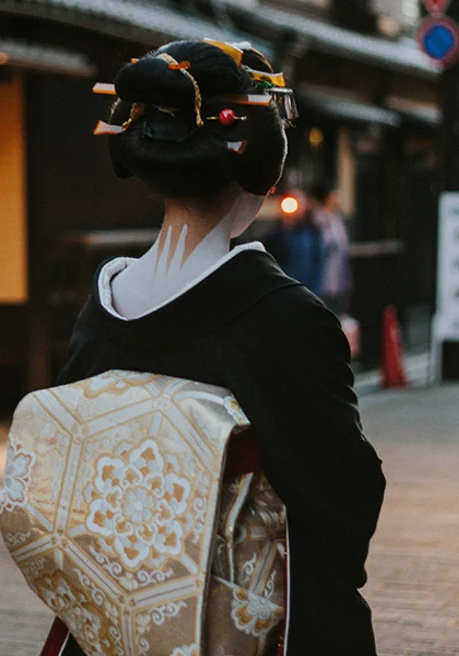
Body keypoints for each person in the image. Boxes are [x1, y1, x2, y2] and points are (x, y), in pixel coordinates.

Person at [53, 40, 385, 655]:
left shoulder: (103, 308)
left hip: (125, 619)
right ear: (264, 168)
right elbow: (342, 499)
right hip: (253, 627)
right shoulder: (286, 318)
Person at [263, 190, 325, 294]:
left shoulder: (312, 232)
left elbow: (317, 262)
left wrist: (315, 291)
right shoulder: (277, 233)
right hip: (283, 289)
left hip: (306, 289)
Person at [311, 182, 351, 315]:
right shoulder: (317, 219)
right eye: (335, 194)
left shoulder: (337, 219)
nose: (338, 197)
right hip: (321, 280)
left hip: (339, 280)